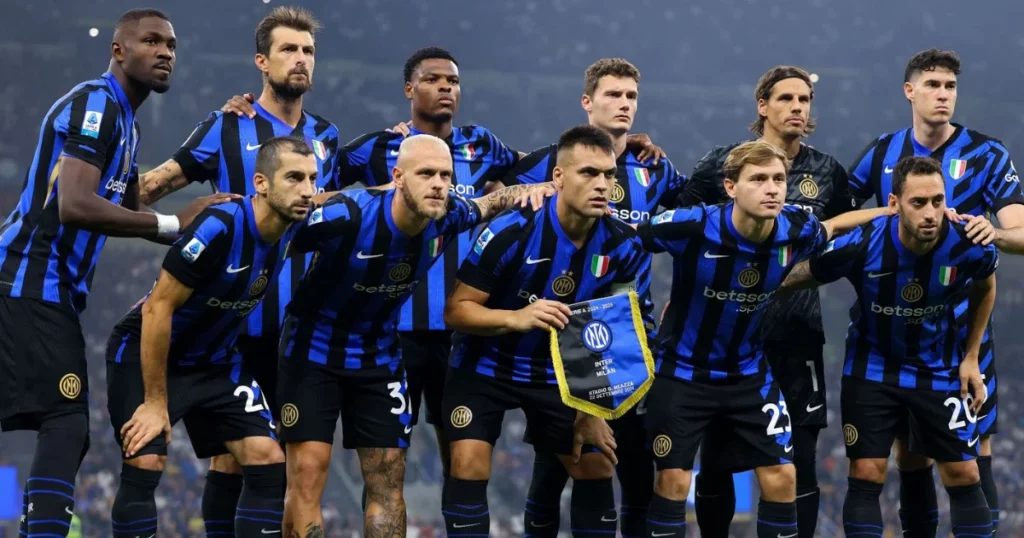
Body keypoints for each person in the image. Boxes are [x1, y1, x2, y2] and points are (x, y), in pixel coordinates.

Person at [0, 10, 232, 537]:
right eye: (151, 41)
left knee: (57, 424)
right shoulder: (96, 104)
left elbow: (125, 203)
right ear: (118, 50)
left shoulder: (126, 121)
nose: (165, 51)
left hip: (40, 289)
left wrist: (185, 199)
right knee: (65, 423)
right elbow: (76, 206)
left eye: (172, 44)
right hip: (29, 282)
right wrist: (175, 222)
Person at [275, 134, 552, 538]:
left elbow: (489, 203)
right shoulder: (347, 214)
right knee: (308, 472)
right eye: (426, 174)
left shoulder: (448, 215)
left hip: (378, 354)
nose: (439, 183)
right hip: (311, 349)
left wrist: (538, 189)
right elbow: (275, 226)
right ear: (397, 177)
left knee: (388, 478)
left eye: (445, 174)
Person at [131, 8, 341, 531]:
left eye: (308, 51)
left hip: (295, 330)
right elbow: (148, 189)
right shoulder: (229, 125)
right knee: (234, 459)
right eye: (289, 50)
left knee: (289, 463)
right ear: (261, 61)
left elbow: (365, 195)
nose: (300, 60)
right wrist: (165, 219)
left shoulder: (328, 137)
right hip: (227, 326)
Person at [635, 140, 889, 538]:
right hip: (683, 372)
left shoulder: (797, 227)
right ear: (731, 186)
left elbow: (834, 226)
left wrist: (893, 212)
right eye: (759, 179)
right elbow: (626, 235)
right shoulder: (694, 224)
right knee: (674, 482)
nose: (772, 188)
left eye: (779, 179)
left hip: (750, 374)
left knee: (783, 476)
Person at [848, 48, 1024, 536]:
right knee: (910, 455)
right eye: (933, 85)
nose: (943, 95)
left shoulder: (988, 154)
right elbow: (839, 209)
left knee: (975, 453)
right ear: (910, 91)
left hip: (961, 335)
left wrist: (992, 232)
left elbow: (1020, 234)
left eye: (950, 86)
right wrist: (882, 217)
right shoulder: (883, 151)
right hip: (892, 336)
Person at [507, 58, 686, 538]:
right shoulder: (551, 162)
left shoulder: (654, 170)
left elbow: (695, 229)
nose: (624, 104)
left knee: (629, 462)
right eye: (613, 95)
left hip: (630, 335)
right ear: (588, 102)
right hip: (560, 332)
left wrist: (681, 299)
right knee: (557, 462)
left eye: (631, 97)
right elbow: (495, 194)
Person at [106, 136, 317, 537]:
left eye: (311, 179)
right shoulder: (220, 226)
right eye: (294, 178)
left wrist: (397, 187)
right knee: (145, 460)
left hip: (214, 360)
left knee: (267, 457)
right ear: (261, 183)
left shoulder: (294, 221)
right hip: (147, 350)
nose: (306, 190)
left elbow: (334, 201)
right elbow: (157, 309)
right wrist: (155, 403)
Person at [680, 65, 857, 538]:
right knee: (717, 461)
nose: (798, 107)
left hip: (796, 336)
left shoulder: (827, 172)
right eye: (786, 99)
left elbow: (847, 239)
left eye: (805, 100)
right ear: (762, 106)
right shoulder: (722, 164)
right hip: (726, 340)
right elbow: (676, 224)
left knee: (798, 460)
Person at [780, 155, 997, 537]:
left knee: (964, 471)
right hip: (872, 369)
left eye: (938, 201)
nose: (931, 213)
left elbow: (985, 283)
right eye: (918, 203)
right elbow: (799, 275)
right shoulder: (864, 243)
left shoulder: (968, 243)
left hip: (938, 367)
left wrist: (971, 356)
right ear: (894, 204)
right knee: (866, 472)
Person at [442, 125, 641, 538]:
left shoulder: (622, 244)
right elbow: (457, 312)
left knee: (597, 464)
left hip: (558, 372)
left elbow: (614, 337)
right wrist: (516, 317)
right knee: (468, 463)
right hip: (484, 365)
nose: (602, 184)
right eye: (589, 173)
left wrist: (590, 410)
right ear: (558, 177)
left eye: (609, 175)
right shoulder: (511, 230)